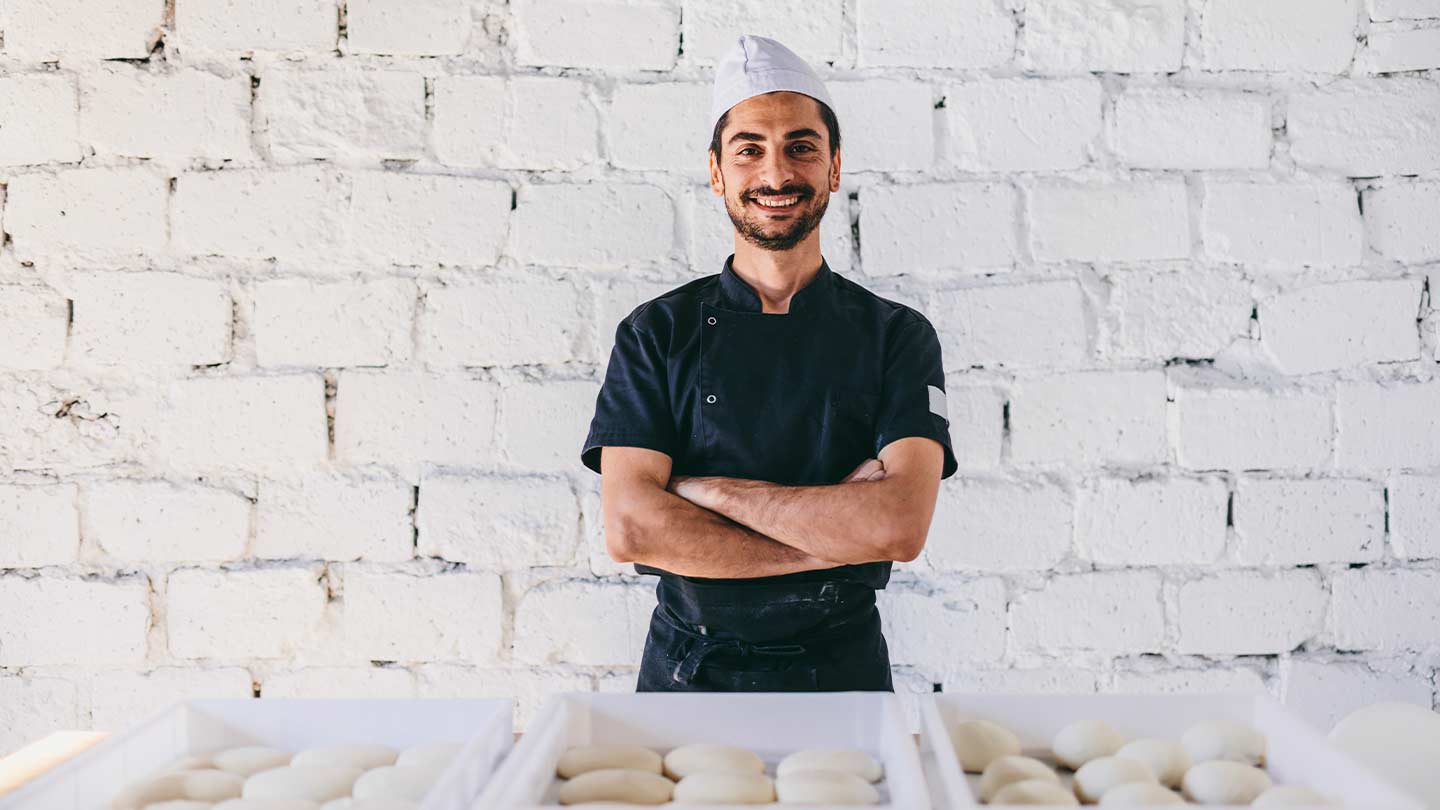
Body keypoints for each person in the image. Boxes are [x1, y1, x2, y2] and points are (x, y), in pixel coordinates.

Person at [580, 34, 958, 692]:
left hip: (842, 672)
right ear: (717, 171)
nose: (777, 174)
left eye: (801, 147)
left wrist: (710, 493)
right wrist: (836, 540)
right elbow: (633, 529)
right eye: (749, 148)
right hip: (686, 674)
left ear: (834, 167)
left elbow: (898, 525)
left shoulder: (897, 336)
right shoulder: (655, 333)